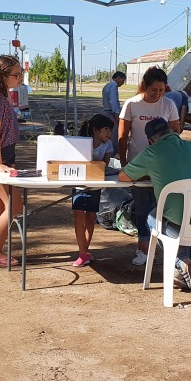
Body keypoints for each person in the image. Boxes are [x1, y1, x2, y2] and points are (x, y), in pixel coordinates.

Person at [119, 117, 191, 292]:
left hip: (177, 224)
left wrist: (149, 173)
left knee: (152, 217)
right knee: (182, 217)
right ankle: (182, 269)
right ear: (171, 131)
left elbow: (123, 176)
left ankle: (181, 261)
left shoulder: (152, 152)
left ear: (151, 140)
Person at [118, 67, 180, 266]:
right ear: (145, 86)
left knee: (163, 207)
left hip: (164, 165)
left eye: (162, 90)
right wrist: (124, 164)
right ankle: (143, 249)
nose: (158, 94)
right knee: (143, 208)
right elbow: (122, 136)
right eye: (154, 90)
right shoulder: (132, 104)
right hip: (138, 164)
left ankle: (167, 250)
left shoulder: (169, 104)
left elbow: (176, 133)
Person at [0, 55, 24, 268]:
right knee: (15, 205)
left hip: (4, 155)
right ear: (3, 76)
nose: (20, 78)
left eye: (21, 74)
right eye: (16, 75)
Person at [71, 113, 115, 268]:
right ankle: (82, 252)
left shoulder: (108, 145)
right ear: (96, 130)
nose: (109, 133)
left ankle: (85, 251)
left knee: (90, 217)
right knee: (78, 216)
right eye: (106, 129)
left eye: (110, 130)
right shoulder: (82, 142)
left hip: (95, 185)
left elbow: (104, 165)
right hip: (79, 184)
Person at [102, 71, 125, 149]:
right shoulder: (114, 86)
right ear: (118, 78)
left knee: (107, 134)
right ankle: (112, 150)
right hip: (111, 113)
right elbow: (113, 101)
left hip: (106, 111)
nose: (122, 83)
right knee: (114, 135)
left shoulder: (107, 85)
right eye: (123, 80)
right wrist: (116, 114)